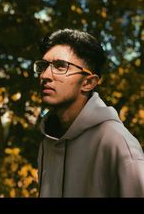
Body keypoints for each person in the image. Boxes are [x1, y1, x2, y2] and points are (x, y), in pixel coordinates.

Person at [34, 28, 144, 197]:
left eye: (60, 66)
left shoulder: (118, 144)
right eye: (43, 66)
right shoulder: (47, 143)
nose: (45, 75)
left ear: (88, 82)